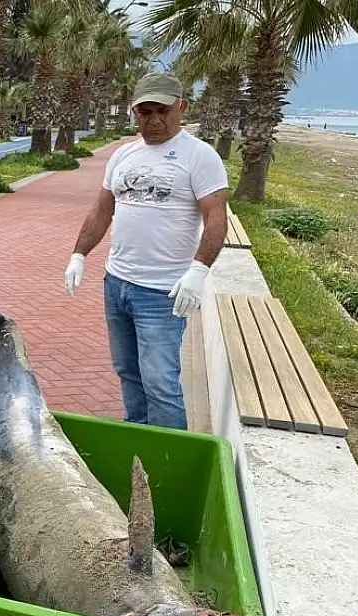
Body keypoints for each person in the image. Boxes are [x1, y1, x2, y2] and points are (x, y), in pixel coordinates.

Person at [62, 70, 229, 431]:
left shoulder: (200, 157)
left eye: (162, 111)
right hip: (117, 284)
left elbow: (216, 217)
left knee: (161, 384)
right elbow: (102, 209)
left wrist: (199, 271)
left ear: (181, 107)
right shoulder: (124, 155)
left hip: (162, 292)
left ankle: (171, 458)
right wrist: (79, 254)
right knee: (127, 371)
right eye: (144, 112)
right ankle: (138, 437)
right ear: (134, 112)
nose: (153, 120)